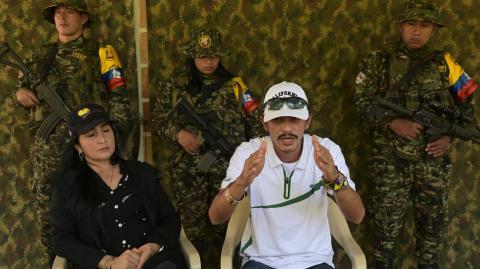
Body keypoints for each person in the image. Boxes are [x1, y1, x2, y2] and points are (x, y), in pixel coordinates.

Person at [354, 1, 478, 268]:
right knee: (385, 238)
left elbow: (466, 107)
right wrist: (392, 122)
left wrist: (448, 138)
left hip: (433, 165)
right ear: (400, 26)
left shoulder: (446, 64)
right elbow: (362, 103)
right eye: (411, 24)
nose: (417, 32)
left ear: (434, 29)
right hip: (390, 164)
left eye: (424, 25)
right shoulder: (379, 61)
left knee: (431, 236)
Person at [14, 0, 133, 261]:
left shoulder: (102, 52)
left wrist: (115, 145)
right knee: (49, 215)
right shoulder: (39, 55)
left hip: (89, 150)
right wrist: (21, 93)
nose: (62, 17)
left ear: (83, 18)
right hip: (48, 152)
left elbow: (119, 98)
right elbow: (23, 92)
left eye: (68, 12)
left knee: (96, 212)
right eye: (57, 12)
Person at [209, 82, 365, 269]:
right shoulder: (248, 152)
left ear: (307, 122)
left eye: (294, 119)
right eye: (278, 120)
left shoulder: (327, 150)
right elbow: (215, 217)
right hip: (260, 262)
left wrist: (334, 178)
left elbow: (357, 216)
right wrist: (242, 181)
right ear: (265, 124)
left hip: (315, 261)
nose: (286, 129)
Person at [151, 29, 264, 267]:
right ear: (192, 56)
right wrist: (178, 133)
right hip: (189, 170)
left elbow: (256, 123)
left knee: (231, 230)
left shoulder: (236, 86)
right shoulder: (176, 84)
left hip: (229, 170)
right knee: (192, 231)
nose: (209, 61)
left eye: (213, 56)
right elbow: (159, 120)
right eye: (203, 57)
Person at [50, 103, 187, 269]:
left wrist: (152, 246)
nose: (102, 139)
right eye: (91, 134)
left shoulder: (142, 173)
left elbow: (170, 219)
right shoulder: (67, 185)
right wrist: (109, 262)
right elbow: (62, 240)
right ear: (78, 145)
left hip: (153, 261)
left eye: (106, 130)